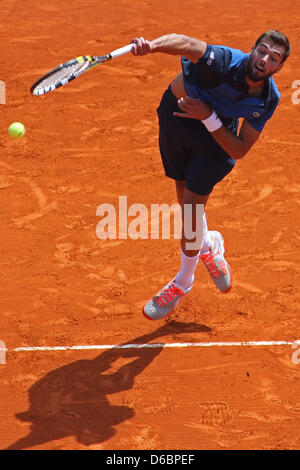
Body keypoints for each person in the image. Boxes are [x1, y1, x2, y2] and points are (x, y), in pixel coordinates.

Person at [130, 30, 290, 321]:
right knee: (183, 196)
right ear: (252, 50)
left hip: (215, 139)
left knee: (190, 212)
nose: (265, 59)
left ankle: (182, 283)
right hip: (176, 120)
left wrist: (208, 116)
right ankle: (208, 244)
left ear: (279, 68)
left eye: (274, 58)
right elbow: (186, 43)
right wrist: (151, 46)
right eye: (262, 51)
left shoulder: (268, 99)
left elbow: (240, 148)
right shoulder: (223, 61)